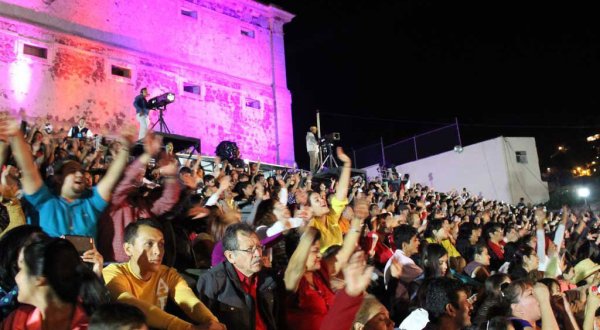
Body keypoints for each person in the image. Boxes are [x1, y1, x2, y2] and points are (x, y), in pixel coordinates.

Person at [0, 111, 134, 241]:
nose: (79, 174)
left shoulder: (91, 204)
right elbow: (28, 168)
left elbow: (111, 178)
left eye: (81, 171)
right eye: (71, 171)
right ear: (58, 178)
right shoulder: (45, 202)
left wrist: (126, 148)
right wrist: (16, 135)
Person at [103, 219, 223, 330]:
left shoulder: (167, 273)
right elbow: (129, 302)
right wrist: (189, 329)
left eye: (161, 244)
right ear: (128, 249)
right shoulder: (113, 272)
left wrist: (212, 321)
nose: (158, 251)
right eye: (149, 244)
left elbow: (189, 301)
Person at [1, 238, 108, 330]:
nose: (16, 278)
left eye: (21, 269)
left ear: (39, 278)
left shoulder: (92, 325)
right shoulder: (18, 320)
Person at [197, 223, 284, 329]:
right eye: (249, 250)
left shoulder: (269, 278)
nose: (258, 254)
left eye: (259, 247)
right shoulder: (213, 282)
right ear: (230, 256)